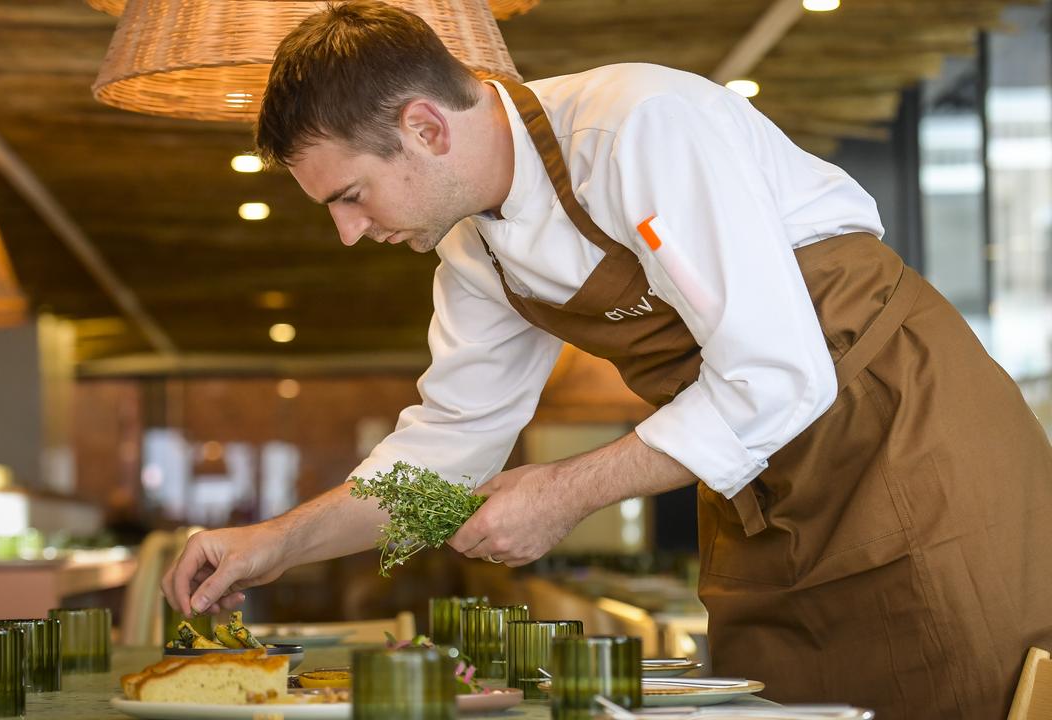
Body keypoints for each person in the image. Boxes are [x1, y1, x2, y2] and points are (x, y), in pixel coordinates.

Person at [162, 2, 1052, 716]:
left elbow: (777, 372)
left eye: (349, 196)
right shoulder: (473, 254)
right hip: (762, 492)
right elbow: (443, 459)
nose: (348, 232)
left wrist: (564, 490)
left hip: (907, 444)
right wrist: (280, 543)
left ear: (426, 127)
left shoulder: (640, 126)